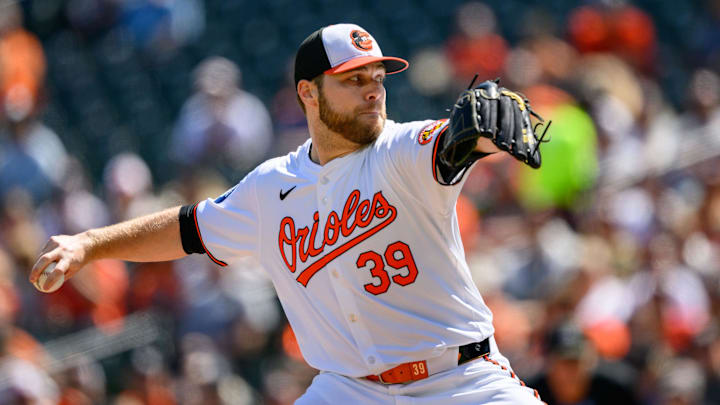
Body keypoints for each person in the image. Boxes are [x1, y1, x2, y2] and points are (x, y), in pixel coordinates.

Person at [30, 23, 545, 404]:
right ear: (308, 93)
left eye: (377, 76)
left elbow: (453, 142)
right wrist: (91, 244)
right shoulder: (269, 187)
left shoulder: (402, 149)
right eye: (352, 79)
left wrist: (480, 128)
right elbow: (187, 228)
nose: (372, 89)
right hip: (348, 391)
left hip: (461, 381)